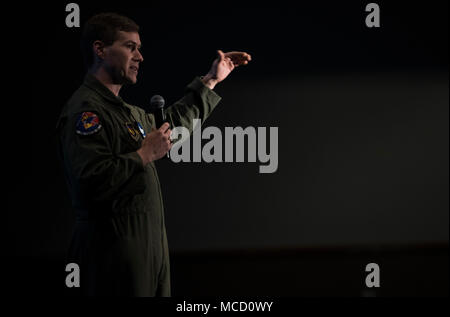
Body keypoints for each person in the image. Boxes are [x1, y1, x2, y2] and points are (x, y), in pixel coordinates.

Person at [56, 12, 251, 296]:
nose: (140, 57)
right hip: (111, 253)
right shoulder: (86, 112)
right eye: (130, 47)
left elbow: (172, 130)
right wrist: (144, 154)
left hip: (149, 248)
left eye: (139, 48)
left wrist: (210, 81)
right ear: (99, 49)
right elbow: (89, 181)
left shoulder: (126, 111)